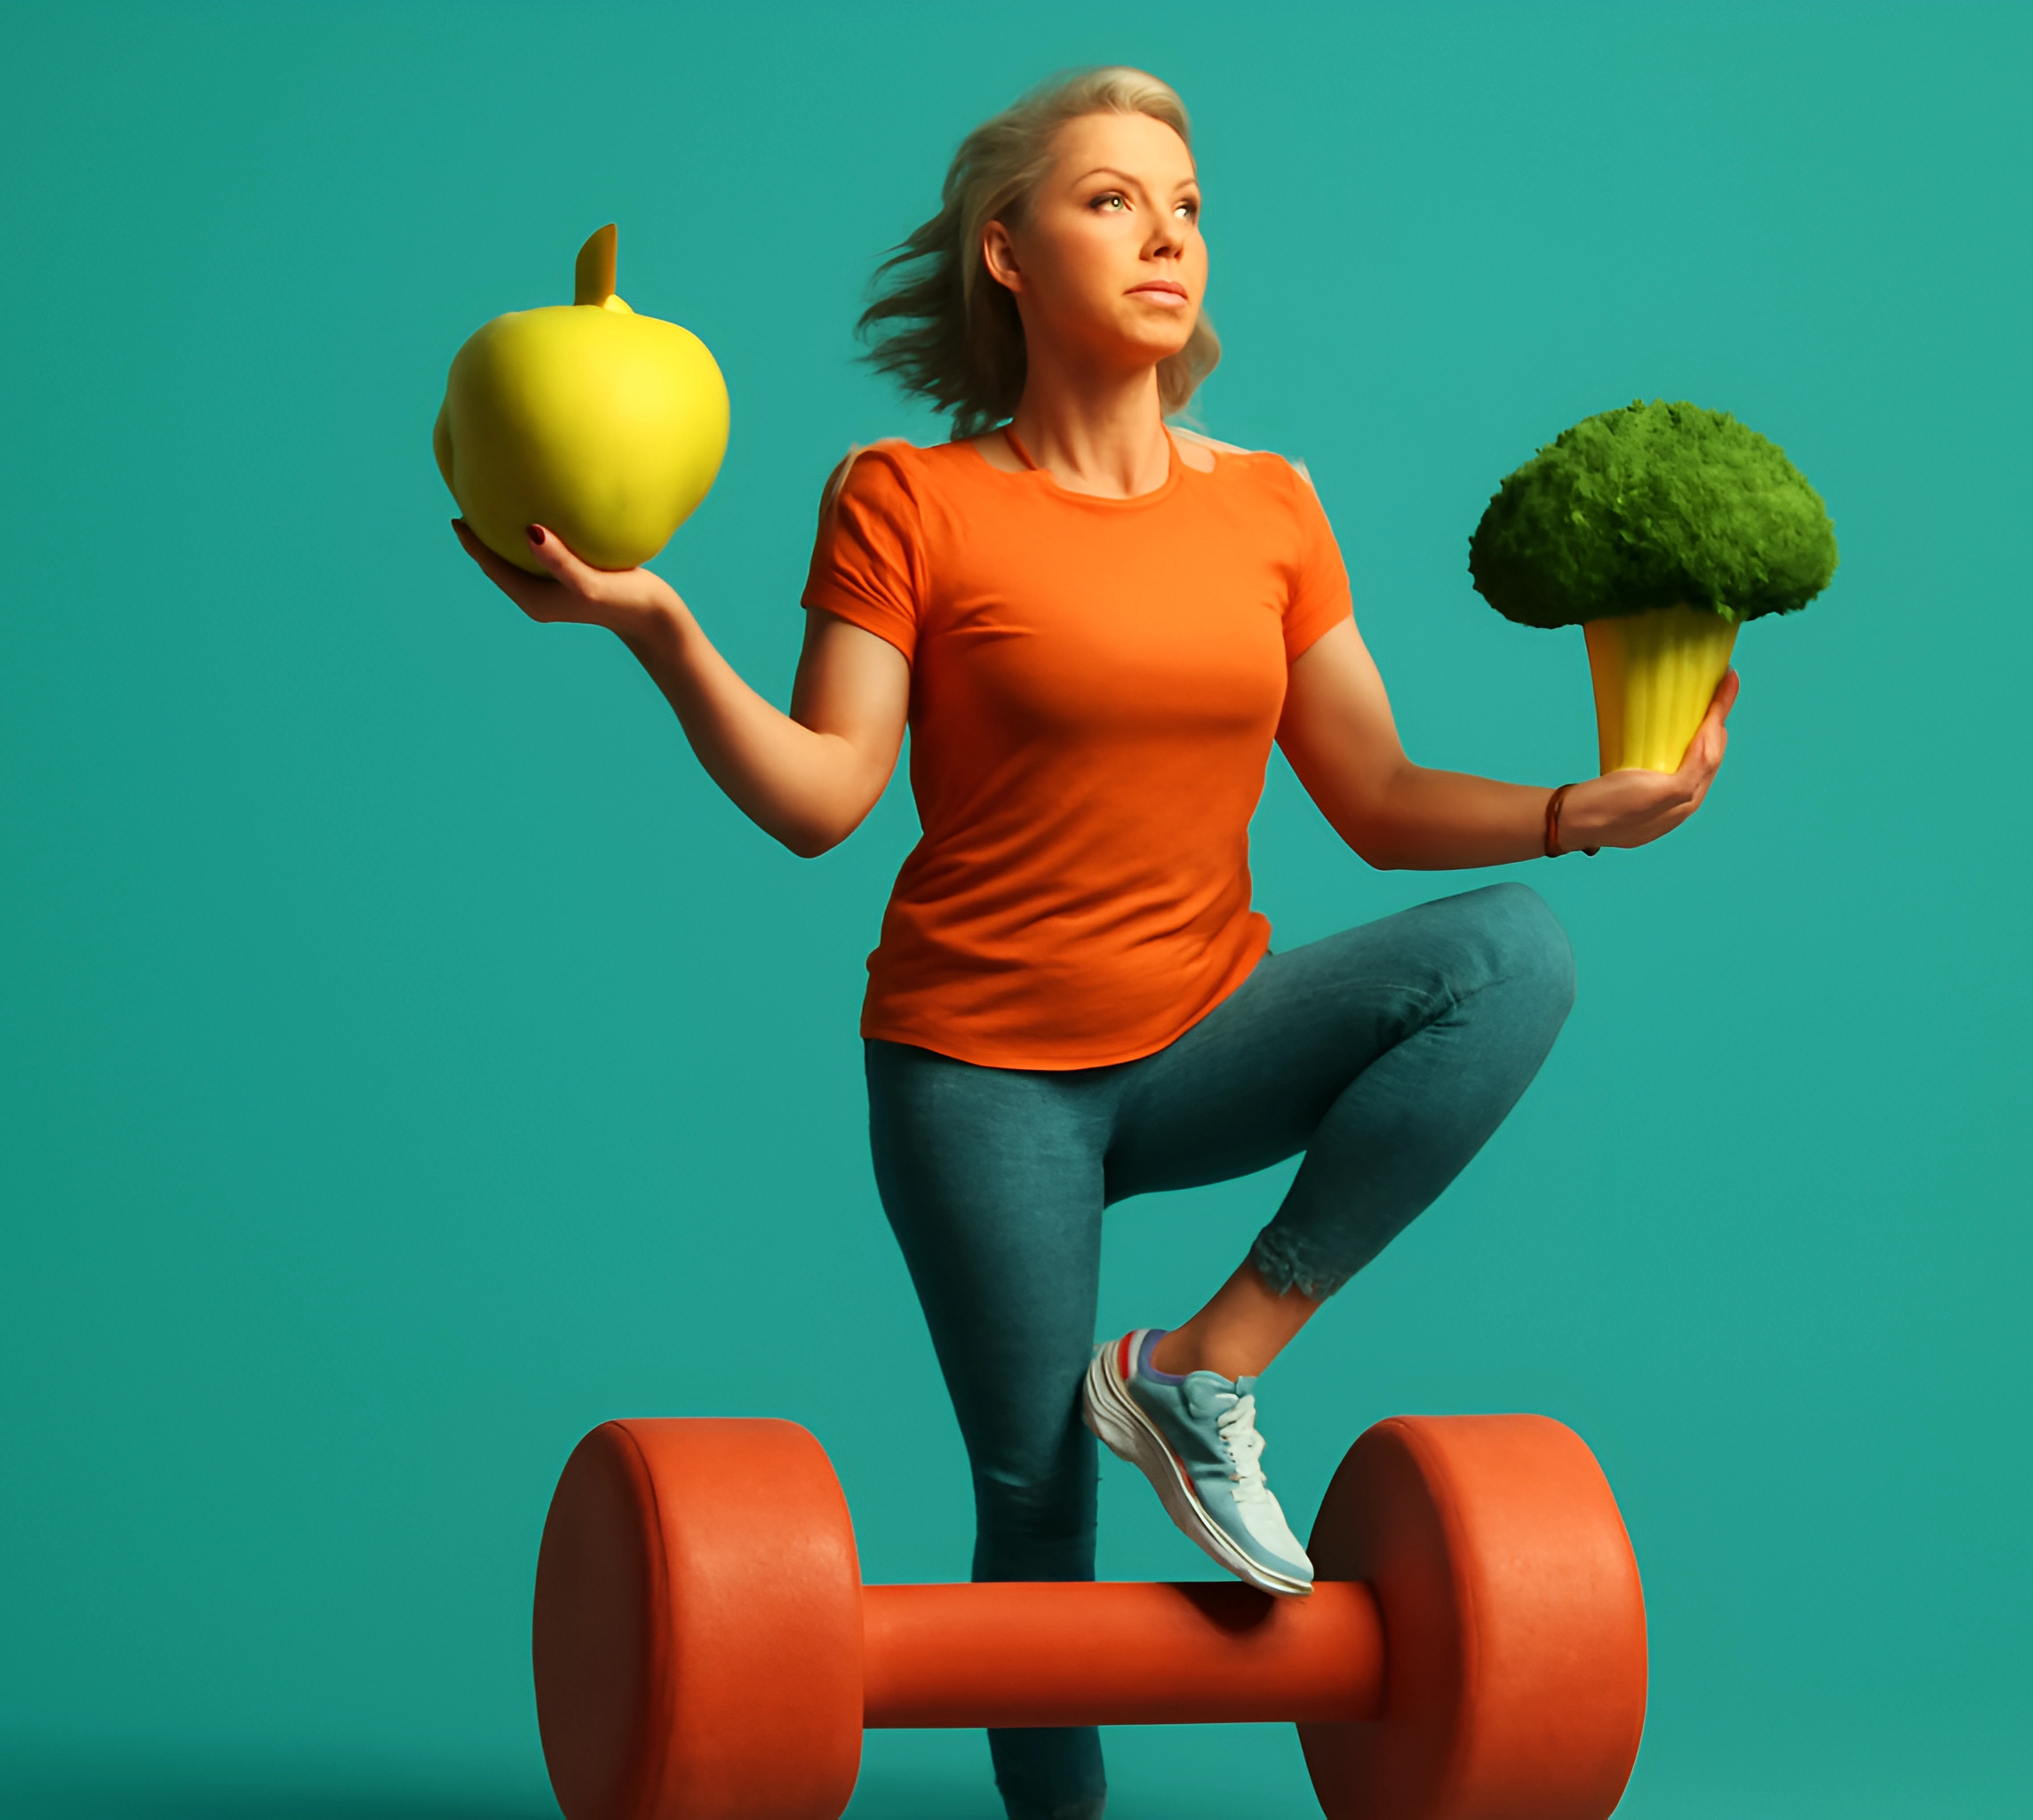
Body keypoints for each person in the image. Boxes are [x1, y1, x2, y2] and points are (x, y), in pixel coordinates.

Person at [457, 66, 1735, 1820]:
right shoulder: (906, 496)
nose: (1167, 236)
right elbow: (827, 797)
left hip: (1207, 1032)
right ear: (1008, 250)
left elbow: (1372, 796)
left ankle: (1202, 1367)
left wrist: (1583, 810)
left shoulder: (1270, 502)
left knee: (1515, 955)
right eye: (1113, 200)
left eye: (1187, 207)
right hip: (978, 1075)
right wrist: (660, 629)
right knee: (1035, 1506)